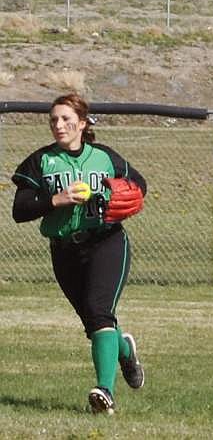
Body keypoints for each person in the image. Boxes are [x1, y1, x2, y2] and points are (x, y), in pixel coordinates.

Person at [11, 93, 147, 414]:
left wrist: (116, 195)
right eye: (54, 120)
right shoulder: (41, 161)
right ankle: (124, 349)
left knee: (99, 311)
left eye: (66, 119)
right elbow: (20, 209)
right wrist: (55, 200)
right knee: (93, 322)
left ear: (82, 123)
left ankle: (105, 393)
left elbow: (139, 184)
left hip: (106, 242)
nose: (59, 125)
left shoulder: (103, 157)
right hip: (64, 250)